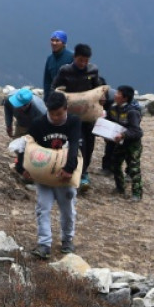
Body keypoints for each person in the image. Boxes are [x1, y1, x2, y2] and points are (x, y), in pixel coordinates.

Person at [15, 91, 81, 259]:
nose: (56, 117)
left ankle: (67, 240)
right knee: (42, 208)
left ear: (66, 109)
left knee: (67, 211)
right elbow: (27, 144)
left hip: (64, 176)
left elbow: (74, 146)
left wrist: (69, 168)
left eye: (59, 114)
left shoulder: (73, 122)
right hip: (44, 176)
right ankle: (44, 244)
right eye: (52, 114)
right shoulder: (39, 123)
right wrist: (22, 167)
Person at [50, 43, 104, 189]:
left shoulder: (93, 71)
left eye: (86, 60)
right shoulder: (65, 71)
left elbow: (97, 88)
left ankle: (84, 171)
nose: (83, 63)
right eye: (80, 60)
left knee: (90, 144)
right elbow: (54, 89)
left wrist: (101, 98)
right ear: (74, 57)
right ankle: (76, 172)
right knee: (79, 144)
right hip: (72, 117)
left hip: (88, 116)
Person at [107, 85, 144, 202]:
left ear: (125, 98)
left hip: (133, 145)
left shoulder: (132, 112)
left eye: (118, 93)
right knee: (115, 164)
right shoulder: (113, 109)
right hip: (120, 143)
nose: (115, 95)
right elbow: (109, 121)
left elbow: (137, 132)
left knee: (133, 169)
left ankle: (137, 194)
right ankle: (120, 188)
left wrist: (123, 135)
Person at [43, 30, 74, 96]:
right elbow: (47, 81)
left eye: (57, 41)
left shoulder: (72, 57)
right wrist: (47, 98)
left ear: (63, 43)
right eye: (52, 40)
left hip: (70, 95)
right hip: (54, 96)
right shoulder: (50, 59)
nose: (54, 43)